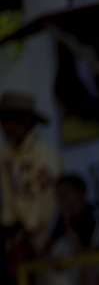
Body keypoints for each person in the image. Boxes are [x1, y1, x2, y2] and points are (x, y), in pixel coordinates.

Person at [0, 91, 60, 252]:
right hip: (19, 235)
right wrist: (9, 228)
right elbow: (8, 198)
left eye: (12, 121)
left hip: (46, 233)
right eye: (4, 121)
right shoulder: (5, 156)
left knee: (52, 275)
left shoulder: (44, 155)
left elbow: (47, 199)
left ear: (27, 122)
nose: (6, 127)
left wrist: (28, 230)